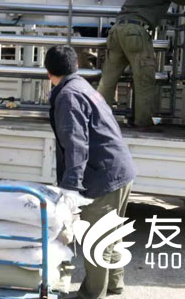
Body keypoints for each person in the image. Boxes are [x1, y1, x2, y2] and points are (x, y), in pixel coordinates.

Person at [45, 45, 137, 299]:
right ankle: (114, 284)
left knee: (96, 239)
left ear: (48, 72)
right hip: (118, 171)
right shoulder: (83, 87)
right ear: (75, 66)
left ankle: (92, 295)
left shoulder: (68, 96)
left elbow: (76, 144)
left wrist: (71, 187)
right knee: (111, 233)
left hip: (103, 176)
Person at [97, 0, 185, 128]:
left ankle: (98, 118)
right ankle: (143, 122)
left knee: (108, 79)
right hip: (135, 32)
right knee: (145, 78)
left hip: (117, 30)